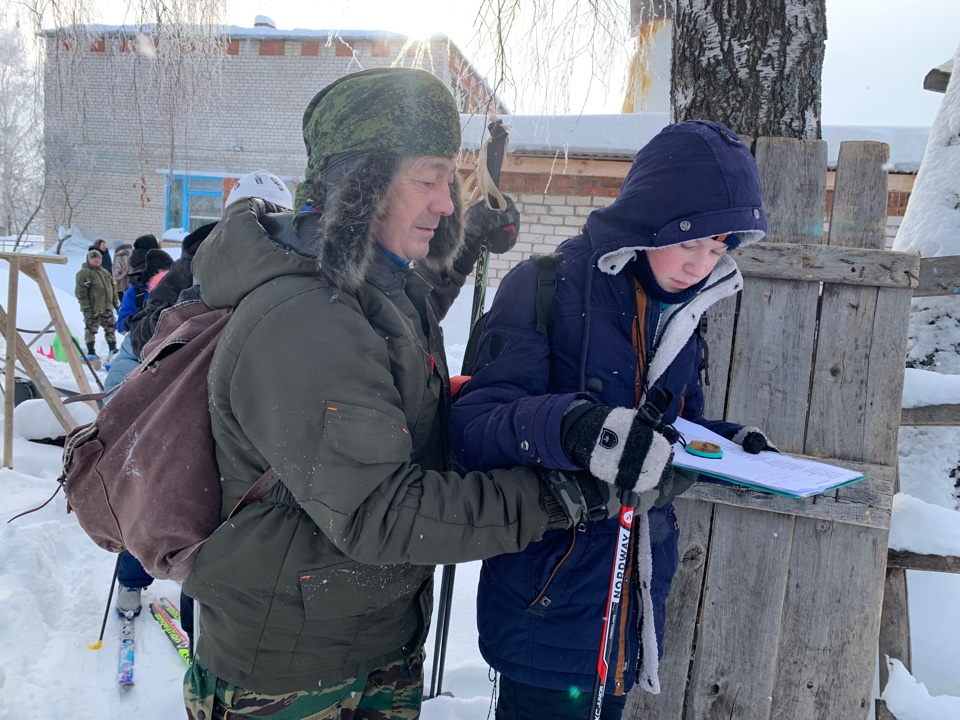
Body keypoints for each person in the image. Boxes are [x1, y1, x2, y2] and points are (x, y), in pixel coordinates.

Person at [181, 67, 617, 720]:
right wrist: (560, 498)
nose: (446, 202)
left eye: (449, 180)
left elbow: (398, 323)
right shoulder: (304, 318)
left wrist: (465, 248)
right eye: (427, 179)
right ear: (362, 184)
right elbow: (382, 512)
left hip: (363, 636)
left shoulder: (361, 283)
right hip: (294, 678)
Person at [449, 120, 778, 720]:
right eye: (689, 244)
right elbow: (475, 427)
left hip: (631, 604)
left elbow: (674, 427)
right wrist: (578, 428)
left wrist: (728, 444)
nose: (700, 266)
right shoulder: (544, 287)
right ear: (651, 219)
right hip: (546, 601)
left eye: (717, 250)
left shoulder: (684, 313)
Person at [74, 249, 119, 357]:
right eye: (94, 258)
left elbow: (113, 289)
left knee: (111, 329)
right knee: (91, 330)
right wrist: (85, 307)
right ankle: (91, 352)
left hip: (107, 308)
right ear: (89, 259)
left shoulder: (105, 273)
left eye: (99, 258)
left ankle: (113, 350)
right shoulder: (84, 273)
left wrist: (116, 304)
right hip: (93, 309)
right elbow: (81, 292)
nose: (97, 260)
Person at [117, 248, 173, 334]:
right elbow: (121, 327)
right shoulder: (135, 293)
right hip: (143, 340)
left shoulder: (176, 290)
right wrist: (137, 319)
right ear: (153, 274)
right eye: (162, 275)